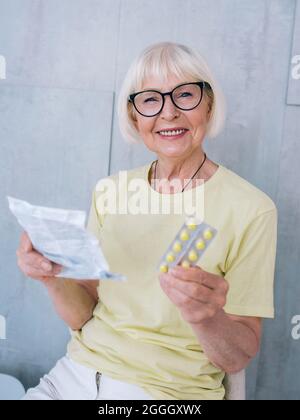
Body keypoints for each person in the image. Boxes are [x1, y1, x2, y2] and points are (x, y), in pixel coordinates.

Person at [17, 42, 277, 400]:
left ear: (209, 104)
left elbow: (238, 357)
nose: (168, 112)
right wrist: (51, 277)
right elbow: (83, 316)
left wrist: (204, 315)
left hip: (165, 394)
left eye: (185, 94)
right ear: (134, 115)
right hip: (73, 378)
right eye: (151, 99)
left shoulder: (251, 209)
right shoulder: (111, 191)